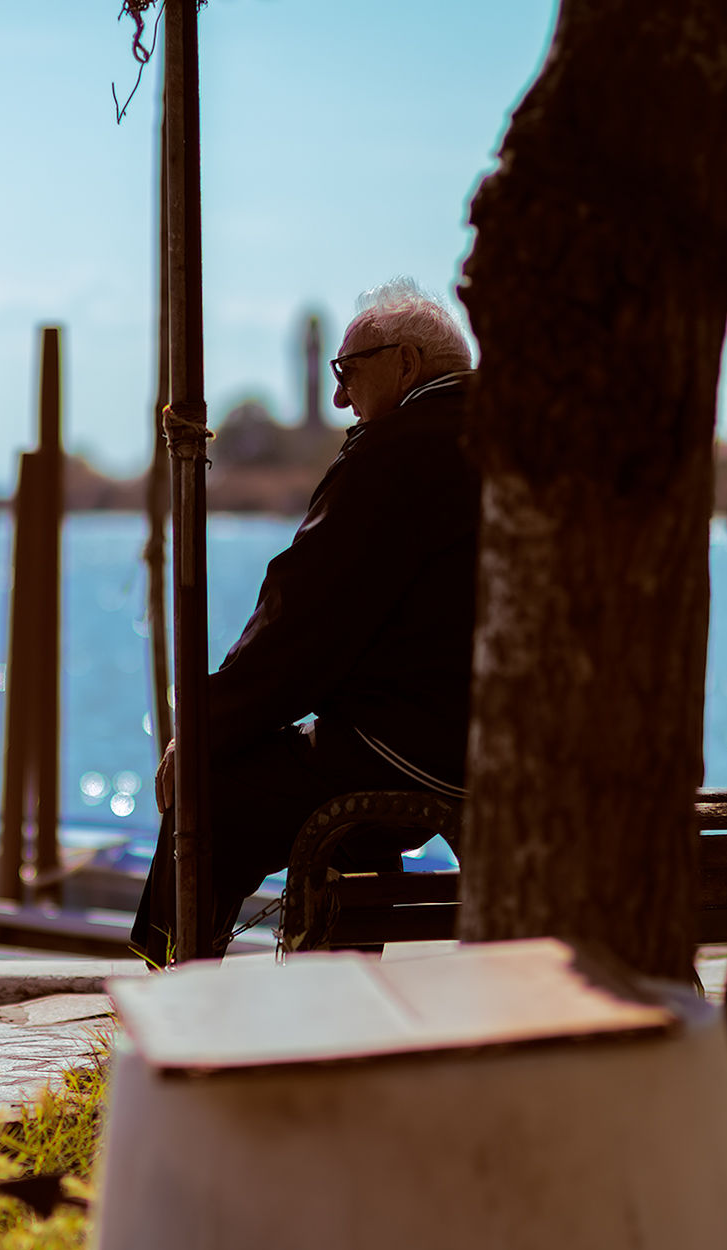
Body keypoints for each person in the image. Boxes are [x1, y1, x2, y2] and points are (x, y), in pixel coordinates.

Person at [133, 278, 480, 960]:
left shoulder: (395, 453)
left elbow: (304, 620)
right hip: (507, 741)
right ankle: (340, 990)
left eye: (349, 374)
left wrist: (204, 729)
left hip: (421, 750)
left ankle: (172, 980)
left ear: (406, 365)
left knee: (216, 791)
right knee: (341, 813)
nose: (339, 399)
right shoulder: (524, 436)